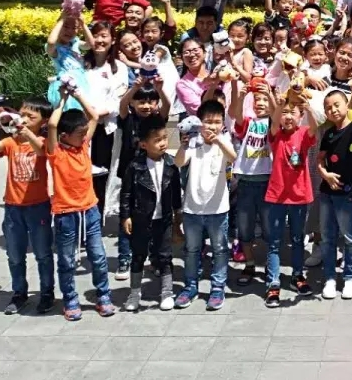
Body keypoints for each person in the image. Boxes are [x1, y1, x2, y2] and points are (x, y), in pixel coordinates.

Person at [46, 89, 114, 321]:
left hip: (90, 211)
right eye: (80, 133)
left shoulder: (83, 147)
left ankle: (103, 295)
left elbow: (93, 116)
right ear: (65, 136)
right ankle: (70, 299)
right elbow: (52, 125)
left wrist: (77, 94)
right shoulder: (56, 152)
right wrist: (63, 100)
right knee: (66, 260)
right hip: (66, 214)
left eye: (86, 133)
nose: (85, 136)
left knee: (98, 256)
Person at [0, 97, 55, 315]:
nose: (23, 119)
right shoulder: (11, 142)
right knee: (15, 255)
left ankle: (47, 293)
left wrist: (26, 133)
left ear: (43, 122)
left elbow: (42, 151)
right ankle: (19, 293)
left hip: (38, 206)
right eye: (21, 114)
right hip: (13, 207)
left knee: (43, 254)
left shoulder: (43, 140)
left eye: (30, 117)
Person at [175, 98, 238, 310]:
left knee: (220, 250)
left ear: (223, 124)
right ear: (199, 122)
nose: (212, 126)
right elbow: (179, 162)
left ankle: (217, 288)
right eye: (208, 121)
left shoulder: (224, 141)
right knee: (192, 250)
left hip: (218, 209)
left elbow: (233, 157)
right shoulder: (194, 142)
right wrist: (183, 145)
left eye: (217, 122)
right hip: (192, 208)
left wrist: (218, 140)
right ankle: (190, 287)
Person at [263, 90, 319, 307]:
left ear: (300, 115)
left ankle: (297, 276)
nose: (287, 116)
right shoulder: (276, 135)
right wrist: (279, 106)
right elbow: (274, 121)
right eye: (284, 113)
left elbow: (314, 127)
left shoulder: (303, 133)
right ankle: (273, 282)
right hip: (277, 196)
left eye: (292, 113)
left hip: (299, 195)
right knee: (275, 241)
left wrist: (307, 106)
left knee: (297, 238)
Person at [119, 118, 180, 312]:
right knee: (138, 255)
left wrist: (177, 217)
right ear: (144, 144)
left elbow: (176, 195)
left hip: (164, 219)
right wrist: (126, 216)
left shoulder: (171, 164)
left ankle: (167, 293)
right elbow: (126, 193)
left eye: (164, 138)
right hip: (141, 218)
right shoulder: (135, 166)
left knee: (165, 256)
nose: (163, 143)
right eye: (157, 140)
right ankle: (134, 293)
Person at [317, 85, 352, 300]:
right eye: (328, 107)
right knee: (327, 238)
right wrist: (325, 174)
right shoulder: (328, 133)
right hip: (327, 193)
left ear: (346, 105)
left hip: (348, 193)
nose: (333, 110)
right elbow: (319, 159)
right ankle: (329, 278)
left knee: (350, 238)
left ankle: (350, 278)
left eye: (337, 105)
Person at [230, 80, 274, 287]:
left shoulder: (274, 123)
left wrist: (271, 96)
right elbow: (237, 116)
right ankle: (249, 264)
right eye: (257, 100)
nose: (261, 103)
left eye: (265, 100)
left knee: (269, 228)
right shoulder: (248, 123)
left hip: (268, 181)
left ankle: (271, 265)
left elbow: (277, 114)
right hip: (246, 181)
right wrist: (241, 97)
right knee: (245, 227)